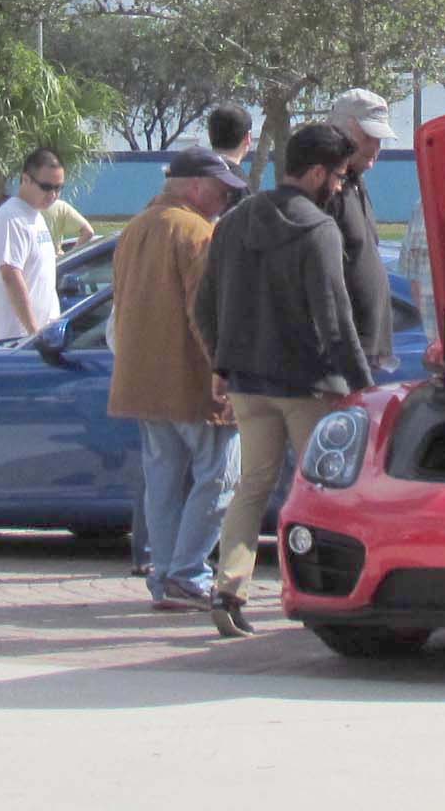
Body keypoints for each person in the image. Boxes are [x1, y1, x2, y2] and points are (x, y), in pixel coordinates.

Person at [194, 122, 373, 639]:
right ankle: (319, 590)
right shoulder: (317, 230)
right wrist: (358, 385)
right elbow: (335, 320)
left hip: (247, 382)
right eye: (337, 176)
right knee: (320, 491)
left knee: (252, 487)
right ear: (316, 172)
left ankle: (229, 587)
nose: (339, 186)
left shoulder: (232, 223)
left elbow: (204, 305)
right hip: (306, 386)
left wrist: (221, 364)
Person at [109, 147, 247, 611]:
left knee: (163, 482)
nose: (226, 199)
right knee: (221, 477)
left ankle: (167, 576)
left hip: (142, 381)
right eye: (221, 189)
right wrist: (223, 372)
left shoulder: (134, 229)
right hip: (191, 381)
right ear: (193, 185)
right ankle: (187, 574)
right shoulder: (196, 231)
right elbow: (204, 314)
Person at [324, 88, 397, 371]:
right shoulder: (326, 190)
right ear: (346, 131)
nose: (376, 147)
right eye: (370, 136)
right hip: (343, 354)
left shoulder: (355, 184)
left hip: (368, 350)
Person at [0, 148, 66, 345]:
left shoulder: (35, 216)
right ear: (26, 179)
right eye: (46, 187)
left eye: (59, 187)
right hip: (14, 343)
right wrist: (34, 333)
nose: (53, 194)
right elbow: (11, 275)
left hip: (38, 340)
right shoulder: (11, 218)